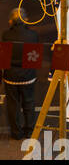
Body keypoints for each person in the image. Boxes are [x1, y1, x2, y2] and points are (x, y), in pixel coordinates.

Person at [1, 8, 38, 140]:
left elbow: (4, 57)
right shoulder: (33, 35)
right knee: (29, 103)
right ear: (25, 20)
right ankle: (30, 132)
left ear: (11, 21)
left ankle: (16, 133)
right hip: (28, 76)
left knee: (13, 105)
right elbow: (35, 58)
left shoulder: (6, 35)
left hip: (10, 76)